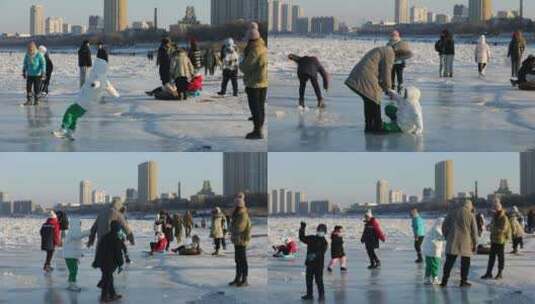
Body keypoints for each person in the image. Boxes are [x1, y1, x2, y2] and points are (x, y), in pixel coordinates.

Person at [345, 42, 412, 133]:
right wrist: (388, 88)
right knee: (375, 100)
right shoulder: (390, 53)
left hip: (360, 75)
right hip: (366, 76)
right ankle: (377, 126)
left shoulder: (385, 50)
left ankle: (369, 126)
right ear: (400, 51)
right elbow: (387, 72)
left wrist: (383, 86)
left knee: (369, 101)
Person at [52, 58, 119, 140]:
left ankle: (63, 130)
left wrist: (94, 84)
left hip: (83, 101)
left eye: (95, 66)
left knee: (69, 112)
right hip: (87, 103)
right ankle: (70, 132)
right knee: (74, 116)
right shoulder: (104, 79)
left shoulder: (97, 77)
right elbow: (110, 88)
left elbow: (97, 83)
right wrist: (116, 94)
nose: (93, 68)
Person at [440, 199, 478, 288]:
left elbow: (444, 226)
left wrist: (447, 236)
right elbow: (474, 231)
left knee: (449, 262)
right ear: (469, 206)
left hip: (452, 241)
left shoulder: (452, 212)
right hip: (466, 242)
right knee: (465, 263)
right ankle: (463, 281)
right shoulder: (471, 215)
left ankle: (444, 281)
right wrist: (475, 243)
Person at [239, 27, 268, 140]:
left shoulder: (254, 50)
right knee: (260, 107)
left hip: (254, 82)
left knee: (255, 107)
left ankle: (257, 131)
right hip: (263, 81)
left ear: (251, 40)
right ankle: (259, 128)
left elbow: (245, 67)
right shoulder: (263, 47)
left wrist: (241, 62)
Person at [92, 221, 124, 303]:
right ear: (118, 228)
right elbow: (118, 253)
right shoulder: (117, 238)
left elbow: (99, 250)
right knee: (107, 279)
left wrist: (97, 261)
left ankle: (112, 294)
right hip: (110, 263)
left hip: (103, 262)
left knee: (109, 278)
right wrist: (121, 263)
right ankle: (104, 297)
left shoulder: (105, 237)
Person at [481, 199, 511, 280]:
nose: (493, 211)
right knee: (491, 257)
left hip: (500, 240)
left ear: (498, 209)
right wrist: (489, 226)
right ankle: (489, 272)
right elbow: (492, 225)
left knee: (500, 257)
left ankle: (500, 272)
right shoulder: (495, 216)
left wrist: (493, 229)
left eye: (495, 209)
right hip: (494, 240)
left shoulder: (504, 217)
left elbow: (503, 229)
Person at [299, 222, 327, 301]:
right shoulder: (311, 238)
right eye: (319, 230)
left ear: (325, 232)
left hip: (319, 264)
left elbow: (322, 252)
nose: (320, 231)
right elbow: (302, 238)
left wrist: (314, 255)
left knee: (319, 280)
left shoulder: (324, 242)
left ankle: (321, 295)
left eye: (322, 230)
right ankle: (309, 295)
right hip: (310, 263)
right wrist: (302, 228)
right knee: (308, 280)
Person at [229, 193, 252, 287]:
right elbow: (233, 226)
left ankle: (244, 279)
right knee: (237, 260)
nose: (233, 207)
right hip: (237, 240)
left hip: (242, 240)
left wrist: (231, 227)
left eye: (235, 206)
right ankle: (238, 277)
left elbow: (239, 228)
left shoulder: (243, 215)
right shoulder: (237, 215)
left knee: (242, 260)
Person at [63, 218, 90, 291]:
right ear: (76, 223)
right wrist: (88, 232)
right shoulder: (74, 231)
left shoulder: (73, 231)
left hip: (70, 255)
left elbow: (76, 245)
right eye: (80, 223)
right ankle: (72, 285)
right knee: (73, 270)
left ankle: (71, 283)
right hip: (70, 256)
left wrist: (79, 254)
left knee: (73, 270)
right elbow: (77, 236)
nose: (81, 225)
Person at [22, 42, 46, 106]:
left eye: (32, 48)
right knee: (28, 88)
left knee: (36, 88)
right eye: (29, 48)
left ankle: (36, 101)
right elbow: (25, 63)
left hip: (37, 75)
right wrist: (24, 71)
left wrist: (43, 72)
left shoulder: (38, 54)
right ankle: (29, 100)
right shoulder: (27, 54)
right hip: (29, 74)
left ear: (34, 47)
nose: (30, 49)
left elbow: (43, 64)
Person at [422, 218, 445, 285]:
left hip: (428, 250)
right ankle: (435, 278)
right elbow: (443, 238)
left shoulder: (433, 228)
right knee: (435, 264)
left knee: (429, 265)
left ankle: (427, 278)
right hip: (434, 250)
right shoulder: (437, 230)